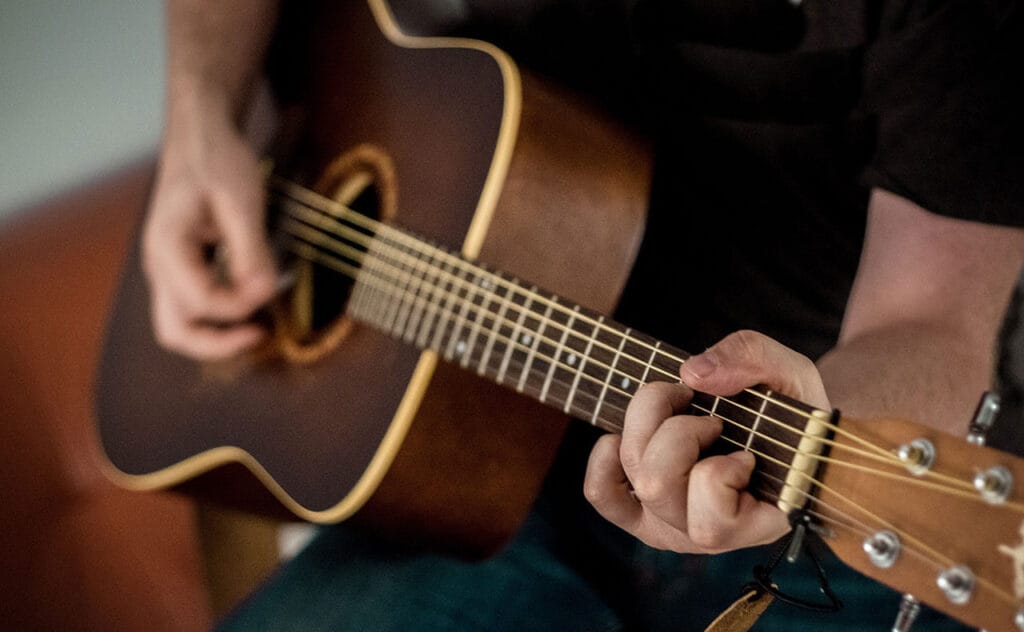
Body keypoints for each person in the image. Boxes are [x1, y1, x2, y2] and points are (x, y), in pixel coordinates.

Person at [142, 0, 1024, 629]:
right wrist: (200, 116)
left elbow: (939, 319)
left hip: (823, 524)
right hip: (483, 472)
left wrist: (816, 422)